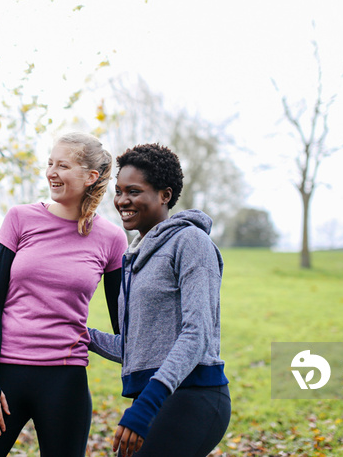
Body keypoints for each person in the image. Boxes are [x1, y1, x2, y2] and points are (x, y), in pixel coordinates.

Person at [0, 132, 129, 457]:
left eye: (62, 165)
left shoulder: (112, 239)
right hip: (5, 376)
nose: (51, 172)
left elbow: (127, 327)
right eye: (50, 163)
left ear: (90, 177)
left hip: (65, 381)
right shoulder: (20, 219)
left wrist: (144, 394)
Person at [87, 143, 232, 456]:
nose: (123, 200)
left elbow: (197, 334)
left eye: (134, 191)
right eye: (119, 191)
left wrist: (148, 403)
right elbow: (137, 346)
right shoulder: (135, 256)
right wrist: (83, 336)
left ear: (165, 195)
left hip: (195, 396)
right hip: (158, 397)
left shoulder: (191, 242)